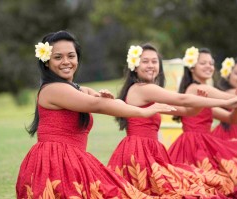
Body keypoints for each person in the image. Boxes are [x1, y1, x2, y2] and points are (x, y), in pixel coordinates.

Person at [15, 30, 182, 199]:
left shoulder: (78, 89)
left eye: (71, 56)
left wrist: (108, 100)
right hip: (54, 164)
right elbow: (97, 105)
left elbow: (107, 102)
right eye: (58, 57)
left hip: (73, 160)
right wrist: (143, 111)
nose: (66, 62)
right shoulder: (53, 89)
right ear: (46, 62)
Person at [107, 44, 237, 198]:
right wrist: (226, 102)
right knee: (192, 187)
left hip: (144, 152)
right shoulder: (144, 89)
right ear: (135, 66)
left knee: (198, 182)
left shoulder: (145, 92)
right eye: (145, 61)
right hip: (140, 154)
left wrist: (201, 102)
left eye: (154, 62)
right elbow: (181, 99)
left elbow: (188, 111)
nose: (151, 65)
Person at [167, 47, 237, 191]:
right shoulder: (196, 88)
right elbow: (227, 98)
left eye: (211, 63)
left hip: (206, 142)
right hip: (193, 145)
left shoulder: (204, 96)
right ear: (192, 67)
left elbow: (232, 120)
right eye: (203, 63)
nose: (209, 66)